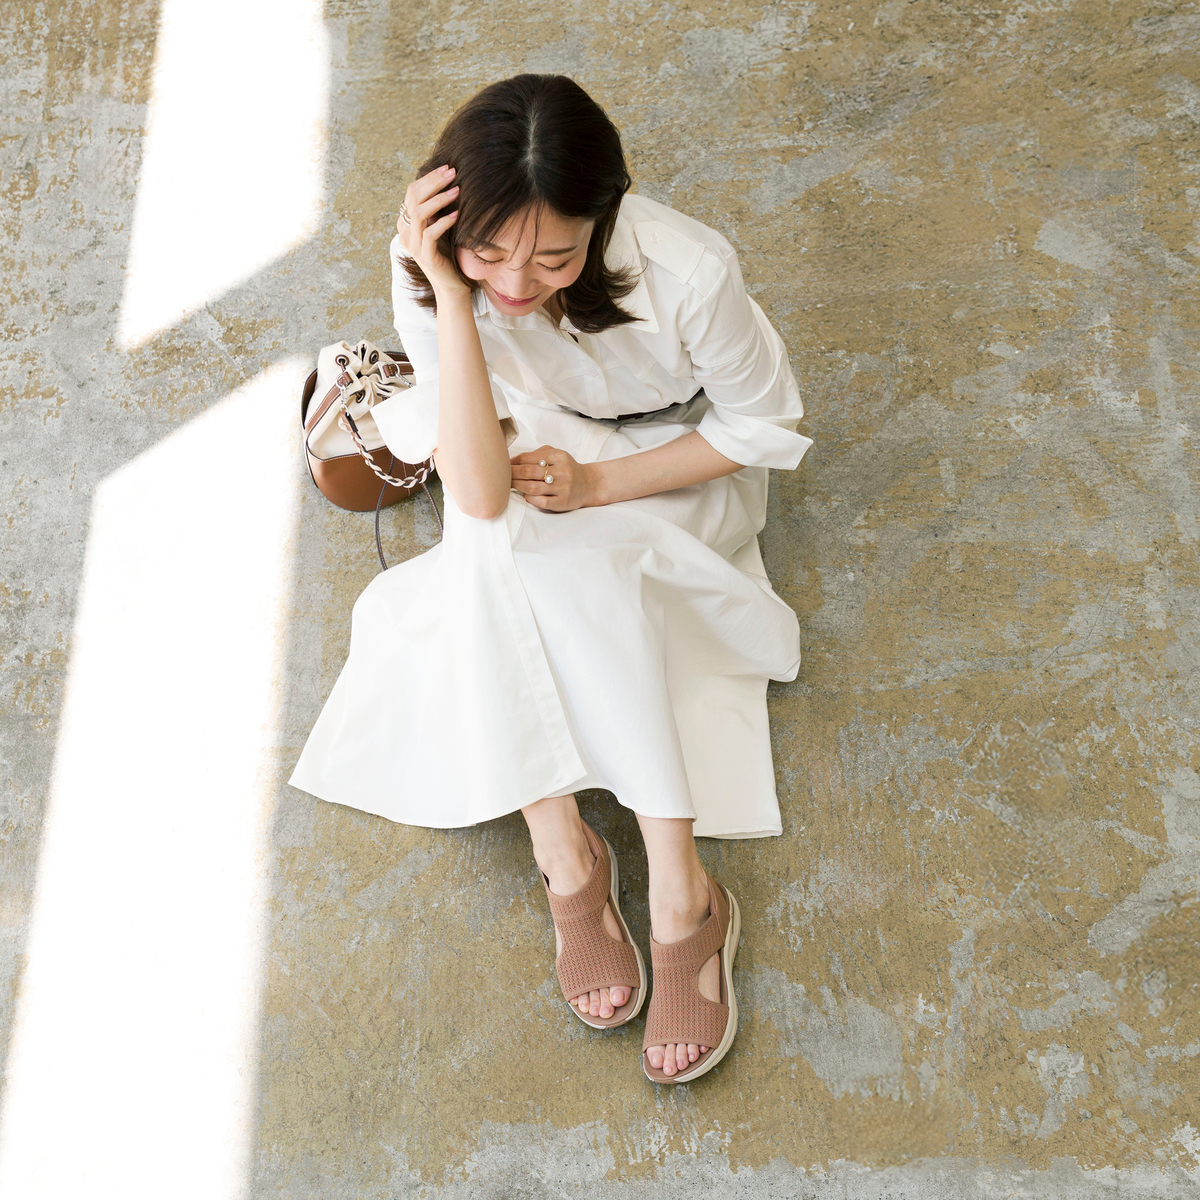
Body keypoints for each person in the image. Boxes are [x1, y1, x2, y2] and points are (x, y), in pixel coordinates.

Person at [289, 74, 811, 1083]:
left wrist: (601, 482)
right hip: (526, 446)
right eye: (488, 254)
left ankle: (679, 894)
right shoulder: (434, 262)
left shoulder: (689, 269)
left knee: (557, 572)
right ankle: (570, 852)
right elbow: (480, 492)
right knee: (497, 543)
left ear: (603, 220)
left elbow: (757, 428)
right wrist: (446, 293)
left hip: (672, 465)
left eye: (555, 257)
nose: (517, 285)